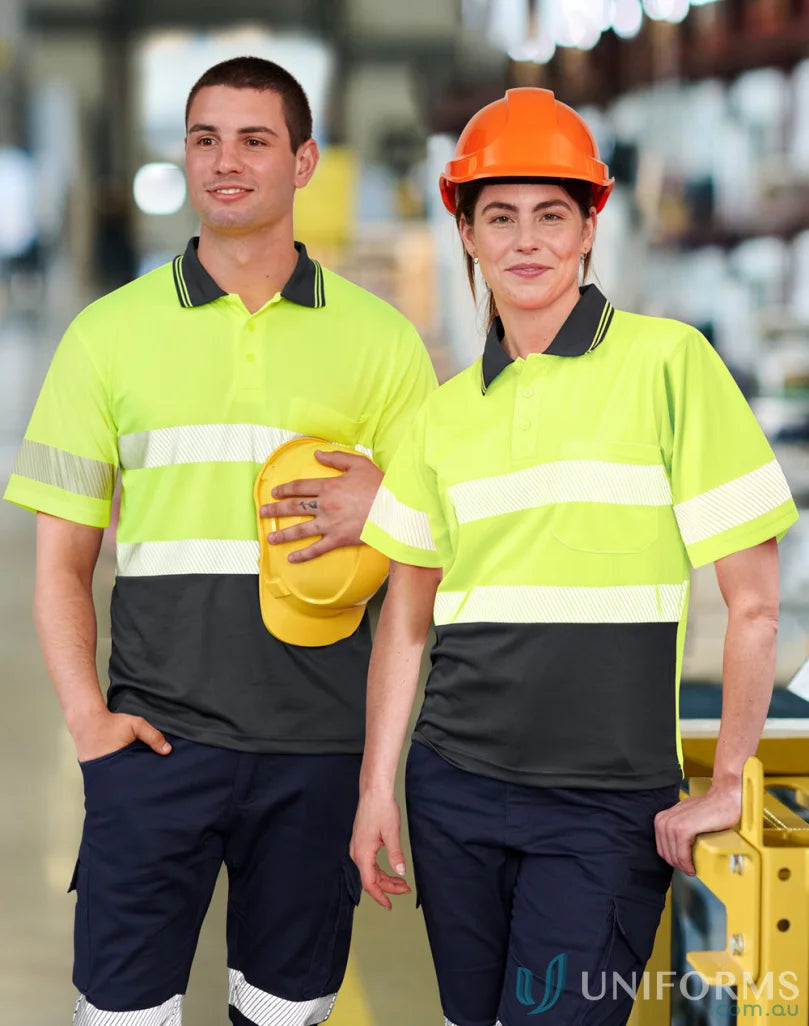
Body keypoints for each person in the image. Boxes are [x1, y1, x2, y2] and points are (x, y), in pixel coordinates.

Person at [351, 87, 798, 1026]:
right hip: (453, 793)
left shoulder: (670, 365)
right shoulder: (441, 414)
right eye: (499, 216)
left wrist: (726, 781)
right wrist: (375, 790)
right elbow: (405, 619)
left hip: (601, 808)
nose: (526, 241)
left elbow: (755, 603)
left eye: (552, 215)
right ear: (464, 233)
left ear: (591, 225)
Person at [4, 56, 434, 1026]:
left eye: (253, 139)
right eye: (204, 139)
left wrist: (377, 777)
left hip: (316, 753)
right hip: (155, 748)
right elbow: (61, 565)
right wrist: (87, 725)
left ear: (305, 160)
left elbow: (426, 567)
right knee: (117, 1016)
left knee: (285, 1013)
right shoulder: (104, 338)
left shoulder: (382, 343)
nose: (225, 161)